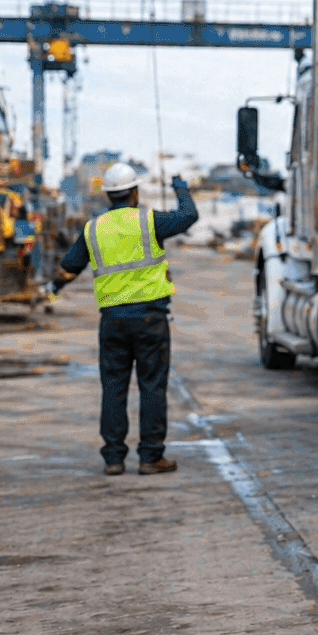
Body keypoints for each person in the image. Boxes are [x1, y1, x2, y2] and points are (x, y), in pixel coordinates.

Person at [47, 162, 199, 476]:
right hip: (150, 319)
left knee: (113, 388)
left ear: (107, 195)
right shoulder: (148, 221)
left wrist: (54, 288)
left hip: (112, 321)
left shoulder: (93, 229)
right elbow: (188, 217)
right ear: (134, 191)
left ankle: (114, 458)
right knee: (152, 387)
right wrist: (180, 188)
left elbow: (69, 266)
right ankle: (150, 457)